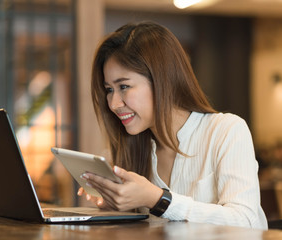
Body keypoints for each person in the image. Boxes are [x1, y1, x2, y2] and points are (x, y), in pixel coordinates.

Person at [78, 21, 268, 230]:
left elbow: (246, 222)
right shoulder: (135, 148)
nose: (114, 104)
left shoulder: (227, 130)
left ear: (163, 80)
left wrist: (159, 200)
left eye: (124, 86)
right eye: (109, 90)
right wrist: (118, 208)